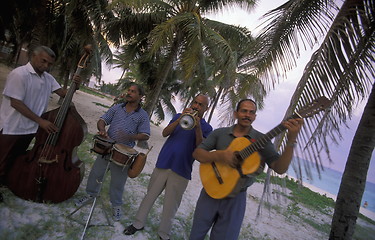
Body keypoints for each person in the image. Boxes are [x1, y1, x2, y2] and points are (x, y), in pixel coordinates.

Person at [189, 99, 303, 240]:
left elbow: (280, 168)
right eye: (244, 111)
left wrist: (292, 139)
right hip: (209, 192)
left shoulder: (262, 140)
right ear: (236, 114)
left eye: (251, 112)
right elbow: (197, 153)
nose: (247, 115)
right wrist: (220, 155)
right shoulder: (220, 133)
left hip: (236, 199)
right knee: (196, 235)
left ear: (255, 116)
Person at [123, 94, 213, 240]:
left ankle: (163, 234)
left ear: (206, 108)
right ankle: (138, 224)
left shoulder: (207, 128)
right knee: (149, 196)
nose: (196, 106)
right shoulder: (179, 116)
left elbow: (200, 148)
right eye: (195, 102)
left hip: (181, 170)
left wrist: (197, 127)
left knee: (171, 206)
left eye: (200, 104)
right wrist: (179, 119)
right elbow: (165, 133)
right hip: (164, 163)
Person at [0, 45, 81, 202]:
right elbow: (15, 103)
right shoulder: (20, 74)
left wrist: (75, 85)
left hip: (30, 128)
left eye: (50, 64)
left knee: (15, 158)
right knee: (2, 158)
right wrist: (40, 121)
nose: (46, 66)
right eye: (43, 61)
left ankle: (5, 181)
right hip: (12, 126)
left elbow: (65, 94)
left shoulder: (47, 78)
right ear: (33, 56)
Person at [75, 83, 150, 221]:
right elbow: (102, 120)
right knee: (96, 173)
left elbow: (145, 135)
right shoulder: (117, 108)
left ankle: (116, 206)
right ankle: (90, 195)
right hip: (107, 147)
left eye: (133, 91)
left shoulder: (143, 115)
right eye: (129, 90)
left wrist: (130, 136)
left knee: (118, 183)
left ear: (140, 96)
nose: (129, 93)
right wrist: (102, 130)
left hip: (124, 153)